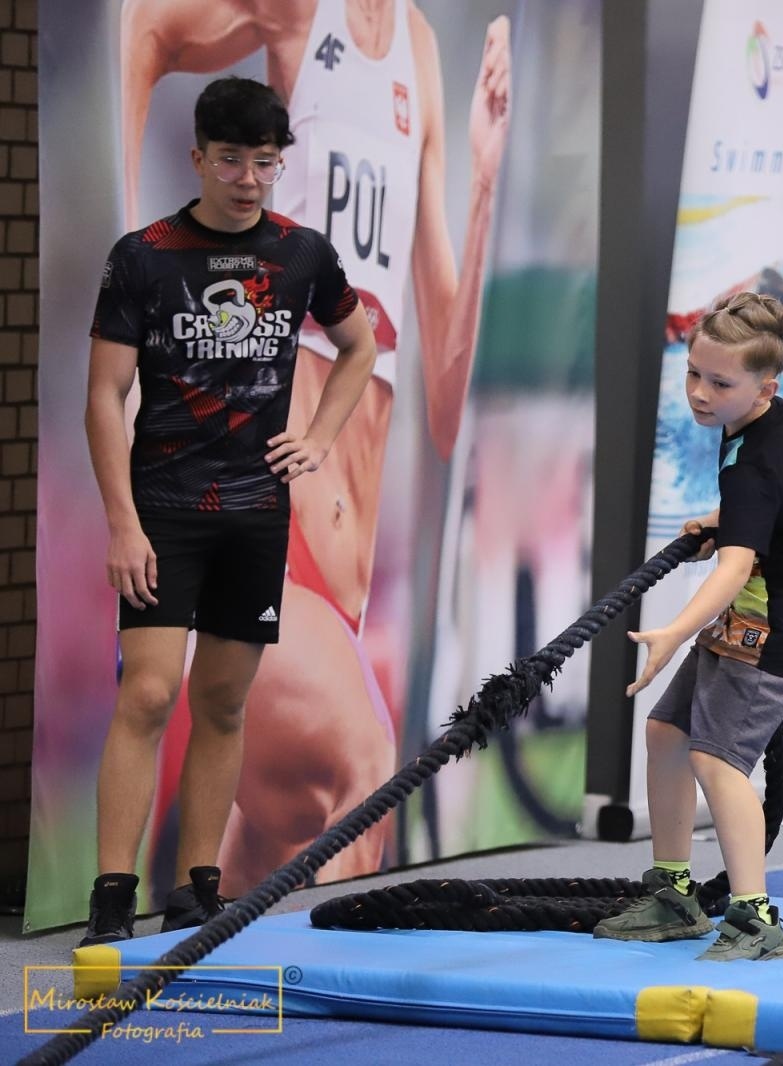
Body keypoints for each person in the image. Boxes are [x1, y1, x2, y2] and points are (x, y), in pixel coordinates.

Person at [119, 0, 513, 892]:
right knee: (367, 772)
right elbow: (142, 29)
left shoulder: (417, 45)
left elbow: (445, 406)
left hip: (346, 583)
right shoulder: (301, 13)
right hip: (268, 524)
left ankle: (201, 980)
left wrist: (485, 177)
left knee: (270, 854)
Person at [81, 77, 376, 945]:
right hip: (163, 511)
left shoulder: (302, 254)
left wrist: (319, 437)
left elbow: (355, 347)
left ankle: (197, 892)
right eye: (232, 160)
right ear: (199, 158)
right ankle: (109, 894)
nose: (249, 178)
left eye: (265, 163)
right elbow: (104, 396)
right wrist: (121, 523)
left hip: (255, 512)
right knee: (146, 693)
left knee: (223, 703)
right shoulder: (144, 255)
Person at [592, 293, 783, 961]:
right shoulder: (755, 424)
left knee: (716, 758)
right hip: (749, 620)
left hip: (777, 630)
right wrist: (724, 520)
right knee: (668, 732)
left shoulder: (758, 455)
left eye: (719, 383)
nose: (700, 393)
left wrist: (671, 633)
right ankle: (674, 895)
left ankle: (755, 921)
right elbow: (772, 519)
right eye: (693, 373)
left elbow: (734, 569)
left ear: (766, 386)